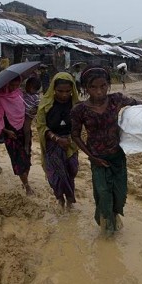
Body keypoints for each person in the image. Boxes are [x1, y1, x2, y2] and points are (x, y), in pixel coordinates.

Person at [71, 65, 142, 237]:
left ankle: (113, 219)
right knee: (103, 193)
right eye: (93, 87)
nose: (99, 91)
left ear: (108, 85)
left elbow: (138, 104)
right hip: (98, 159)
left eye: (103, 86)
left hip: (117, 155)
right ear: (85, 88)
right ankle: (106, 229)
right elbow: (76, 136)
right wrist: (92, 157)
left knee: (119, 192)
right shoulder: (79, 110)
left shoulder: (115, 99)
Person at [37, 72, 80, 210]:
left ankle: (69, 198)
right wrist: (56, 139)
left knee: (71, 171)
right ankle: (61, 199)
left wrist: (70, 139)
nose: (64, 95)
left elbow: (80, 125)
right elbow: (41, 126)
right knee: (56, 175)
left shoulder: (76, 105)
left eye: (68, 91)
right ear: (53, 89)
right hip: (53, 144)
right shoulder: (46, 105)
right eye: (60, 91)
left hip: (70, 144)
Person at [0, 75, 34, 195]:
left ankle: (25, 181)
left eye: (17, 85)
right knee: (18, 160)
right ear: (7, 84)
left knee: (27, 158)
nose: (14, 88)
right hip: (11, 135)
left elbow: (27, 113)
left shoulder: (20, 95)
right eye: (12, 85)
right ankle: (27, 186)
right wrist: (7, 132)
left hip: (25, 133)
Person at [23, 77, 42, 160]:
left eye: (33, 88)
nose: (30, 89)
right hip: (21, 113)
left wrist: (34, 110)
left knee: (26, 129)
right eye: (29, 87)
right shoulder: (24, 94)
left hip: (28, 115)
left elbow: (38, 107)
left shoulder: (36, 97)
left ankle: (26, 145)